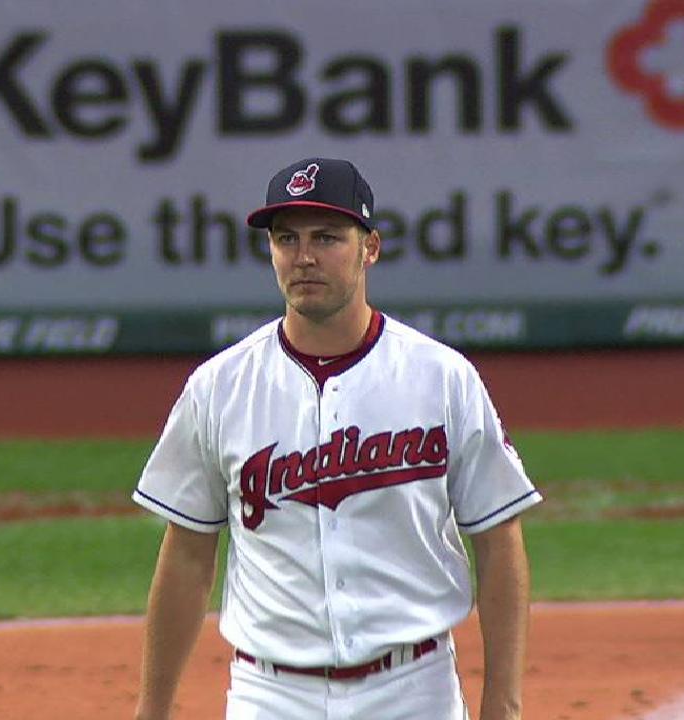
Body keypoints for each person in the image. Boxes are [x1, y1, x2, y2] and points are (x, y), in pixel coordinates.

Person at [132, 157, 541, 720]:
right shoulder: (220, 386)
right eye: (287, 239)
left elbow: (497, 538)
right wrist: (152, 710)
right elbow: (187, 551)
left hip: (413, 690)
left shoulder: (441, 377)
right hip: (270, 695)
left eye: (326, 237)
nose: (304, 257)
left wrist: (503, 706)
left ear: (369, 248)